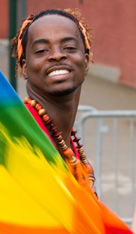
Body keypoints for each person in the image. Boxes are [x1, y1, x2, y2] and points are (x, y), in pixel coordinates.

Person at [11, 9, 96, 193]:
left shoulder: (72, 149)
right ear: (25, 68)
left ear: (86, 61)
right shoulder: (22, 139)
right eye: (41, 50)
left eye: (69, 48)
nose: (57, 55)